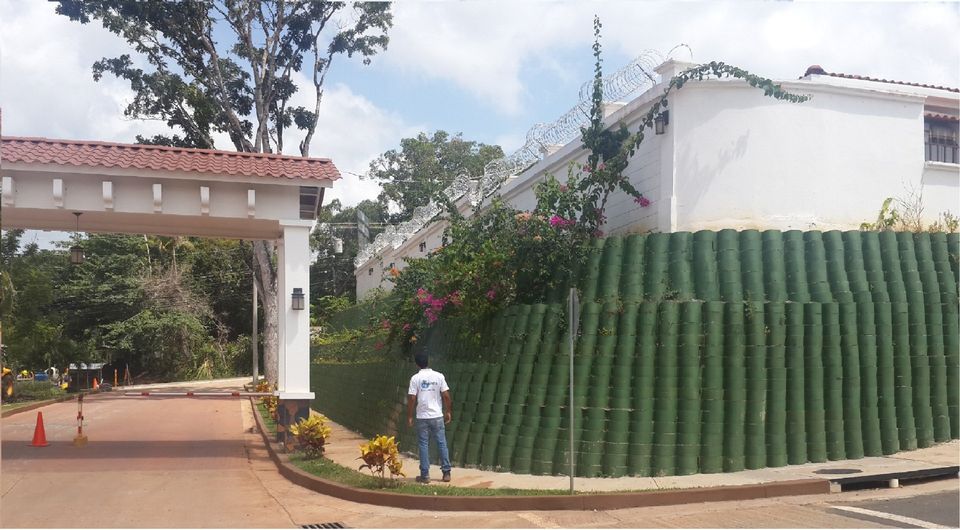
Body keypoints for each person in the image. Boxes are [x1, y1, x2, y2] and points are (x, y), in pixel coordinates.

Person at [407, 353, 452, 484]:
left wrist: (409, 416)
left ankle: (425, 475)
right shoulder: (439, 376)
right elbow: (446, 396)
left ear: (417, 364)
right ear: (428, 361)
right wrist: (448, 411)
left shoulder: (415, 378)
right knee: (442, 443)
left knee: (423, 444)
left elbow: (411, 398)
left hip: (422, 417)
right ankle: (446, 473)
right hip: (437, 416)